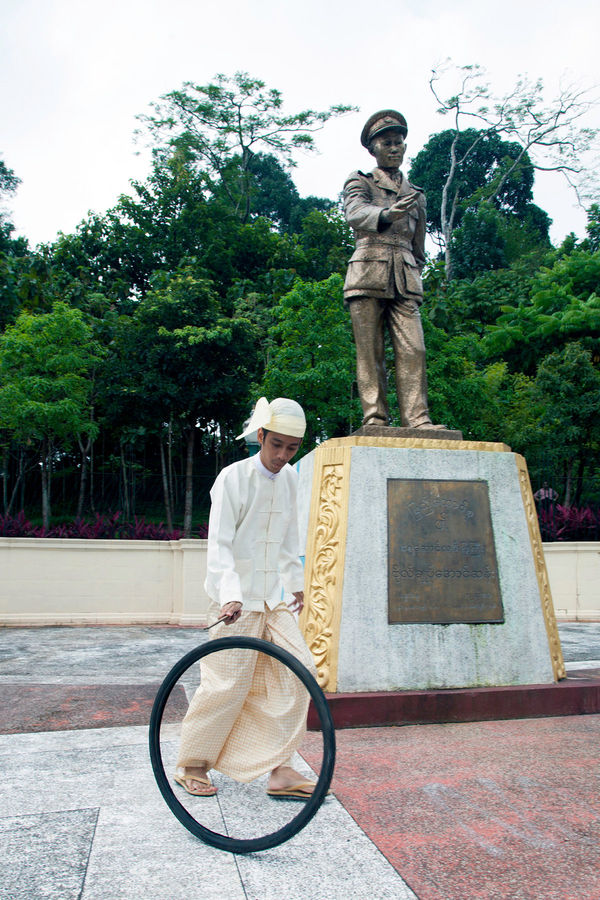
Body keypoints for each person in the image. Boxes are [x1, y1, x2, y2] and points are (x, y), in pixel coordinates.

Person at [174, 397, 319, 800]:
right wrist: (230, 595)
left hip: (274, 600)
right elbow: (219, 544)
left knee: (300, 671)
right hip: (234, 602)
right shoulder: (232, 477)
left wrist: (296, 584)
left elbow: (291, 539)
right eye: (276, 445)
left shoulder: (290, 478)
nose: (282, 455)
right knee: (226, 684)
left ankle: (281, 769)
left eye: (292, 448)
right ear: (261, 436)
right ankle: (193, 765)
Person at [343, 109, 444, 430]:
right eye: (387, 142)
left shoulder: (416, 194)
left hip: (405, 276)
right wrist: (386, 213)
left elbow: (419, 245)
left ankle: (418, 419)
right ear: (373, 148)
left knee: (414, 349)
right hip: (367, 273)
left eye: (399, 142)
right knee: (370, 352)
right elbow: (355, 212)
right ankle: (375, 417)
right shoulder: (360, 181)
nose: (395, 148)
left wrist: (417, 271)